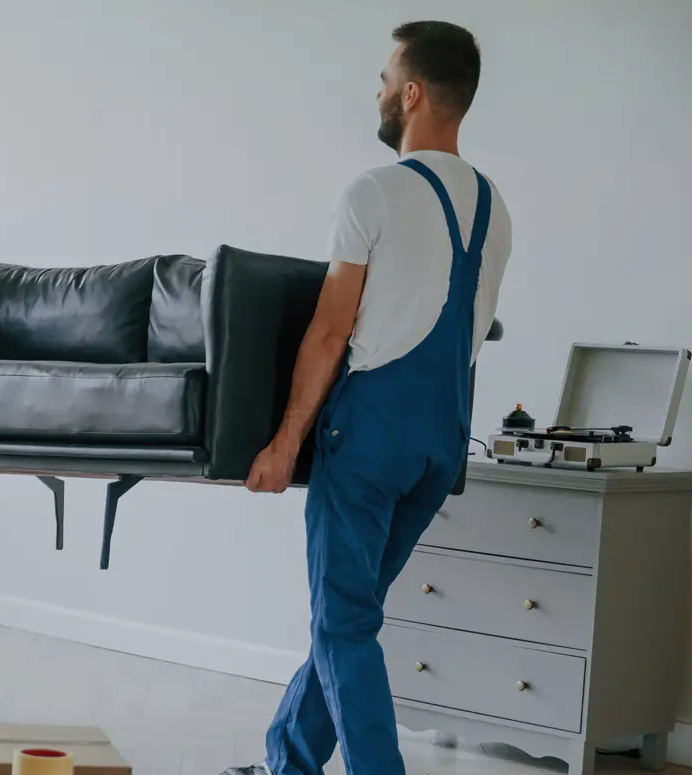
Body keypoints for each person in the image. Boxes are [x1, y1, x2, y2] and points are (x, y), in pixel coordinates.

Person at [225, 21, 510, 775]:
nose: (379, 92)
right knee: (348, 620)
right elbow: (472, 333)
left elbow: (327, 335)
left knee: (342, 624)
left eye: (387, 78)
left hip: (371, 436)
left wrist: (286, 442)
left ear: (413, 93)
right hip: (439, 442)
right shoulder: (493, 207)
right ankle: (288, 760)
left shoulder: (375, 190)